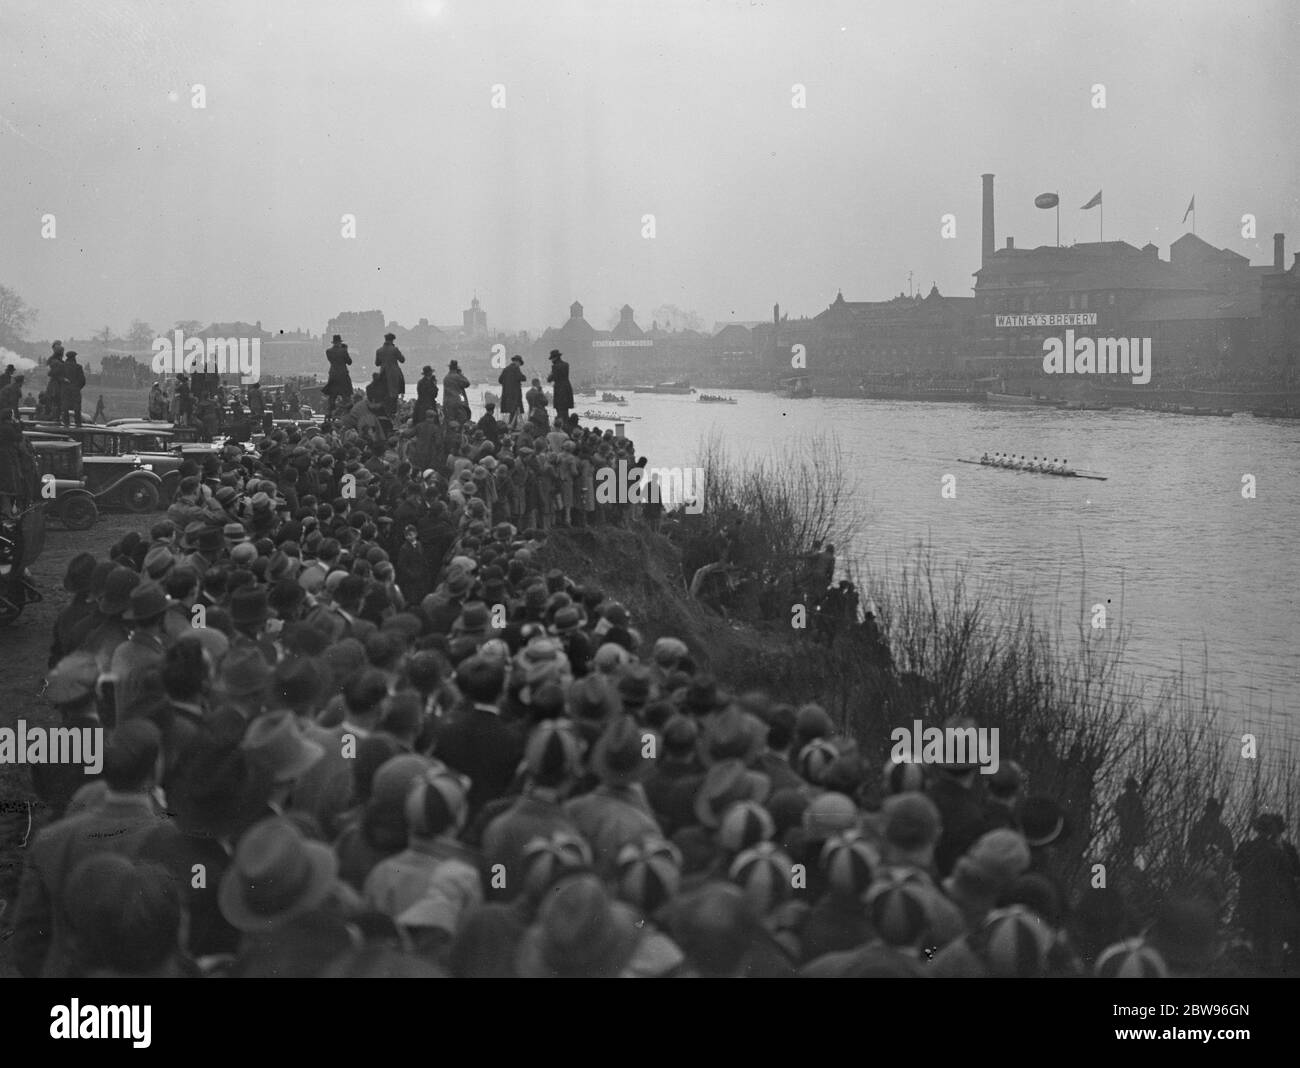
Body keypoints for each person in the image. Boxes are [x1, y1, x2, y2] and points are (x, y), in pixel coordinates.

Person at [375, 333, 406, 417]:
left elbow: (377, 363)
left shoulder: (379, 350)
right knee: (395, 393)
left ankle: (385, 412)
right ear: (392, 340)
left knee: (384, 394)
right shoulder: (394, 349)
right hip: (394, 374)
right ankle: (392, 412)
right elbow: (402, 360)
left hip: (383, 373)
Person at [324, 335, 353, 416]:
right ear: (340, 342)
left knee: (332, 396)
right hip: (343, 374)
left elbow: (331, 360)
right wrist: (345, 350)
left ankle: (330, 411)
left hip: (333, 374)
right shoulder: (343, 351)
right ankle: (347, 412)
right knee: (346, 395)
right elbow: (349, 362)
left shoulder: (328, 351)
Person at [498, 355, 526, 428]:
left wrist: (507, 384)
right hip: (515, 395)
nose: (519, 365)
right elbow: (522, 378)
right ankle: (512, 427)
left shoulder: (506, 369)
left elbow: (500, 380)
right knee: (515, 411)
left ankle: (511, 425)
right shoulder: (516, 369)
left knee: (512, 412)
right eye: (519, 363)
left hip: (507, 395)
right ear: (517, 362)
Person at [547, 349, 573, 423]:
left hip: (559, 390)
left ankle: (561, 425)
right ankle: (566, 424)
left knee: (560, 410)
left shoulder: (555, 367)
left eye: (552, 358)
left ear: (555, 358)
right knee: (565, 410)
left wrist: (550, 374)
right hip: (567, 389)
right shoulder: (566, 364)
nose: (551, 360)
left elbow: (550, 379)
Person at [443, 361, 471, 425]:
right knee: (461, 420)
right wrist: (460, 374)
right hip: (459, 402)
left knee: (450, 422)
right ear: (456, 368)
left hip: (448, 403)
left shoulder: (446, 378)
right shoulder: (458, 377)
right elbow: (467, 383)